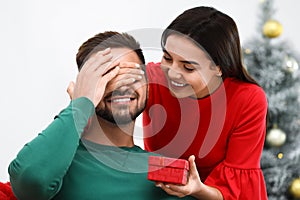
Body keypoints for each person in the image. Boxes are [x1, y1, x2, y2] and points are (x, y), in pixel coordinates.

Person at [8, 31, 195, 200]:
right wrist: (80, 104)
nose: (122, 85)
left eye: (132, 75)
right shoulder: (59, 164)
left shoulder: (168, 174)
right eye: (107, 76)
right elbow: (31, 181)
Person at [114, 6, 268, 200]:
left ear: (218, 68)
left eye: (188, 67)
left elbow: (237, 188)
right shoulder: (153, 80)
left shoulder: (248, 99)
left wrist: (197, 189)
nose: (172, 72)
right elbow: (108, 97)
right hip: (162, 192)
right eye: (167, 58)